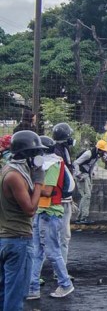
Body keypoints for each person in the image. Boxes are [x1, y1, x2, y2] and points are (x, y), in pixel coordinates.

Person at [0, 131, 45, 309]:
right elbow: (30, 210)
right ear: (26, 155)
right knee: (15, 294)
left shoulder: (7, 169)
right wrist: (39, 183)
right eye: (35, 153)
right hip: (17, 240)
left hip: (5, 239)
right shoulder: (15, 176)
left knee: (4, 291)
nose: (37, 158)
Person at [27, 136, 74, 300]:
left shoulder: (53, 164)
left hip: (50, 212)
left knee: (52, 251)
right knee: (35, 251)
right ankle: (32, 288)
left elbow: (47, 190)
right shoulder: (46, 164)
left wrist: (29, 185)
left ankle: (66, 284)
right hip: (42, 211)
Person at [51, 122, 76, 265]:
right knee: (61, 236)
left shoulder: (63, 149)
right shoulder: (58, 152)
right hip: (60, 199)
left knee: (61, 236)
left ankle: (60, 269)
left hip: (63, 197)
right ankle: (60, 271)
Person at [73, 140, 107, 224]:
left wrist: (91, 174)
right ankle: (82, 218)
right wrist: (78, 174)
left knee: (86, 196)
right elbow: (75, 163)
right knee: (87, 195)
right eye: (103, 151)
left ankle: (80, 218)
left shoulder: (96, 155)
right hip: (82, 175)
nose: (104, 153)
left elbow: (91, 165)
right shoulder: (88, 154)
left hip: (86, 175)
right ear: (99, 149)